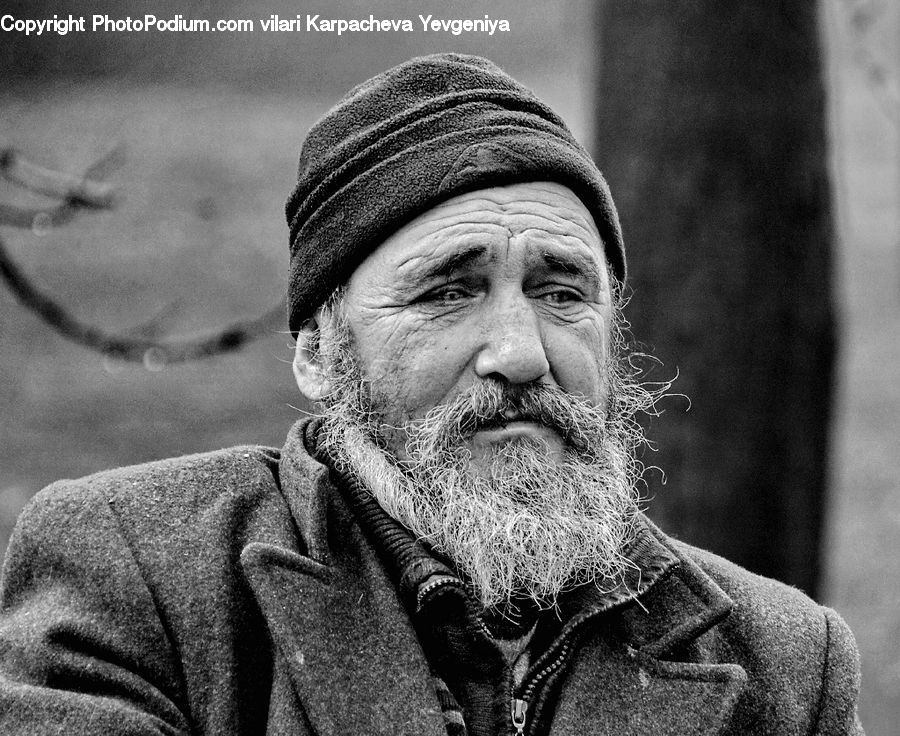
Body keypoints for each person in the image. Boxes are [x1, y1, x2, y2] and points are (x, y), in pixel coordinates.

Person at [0, 53, 862, 736]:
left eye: (563, 292)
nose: (522, 354)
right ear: (317, 353)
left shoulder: (786, 664)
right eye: (449, 291)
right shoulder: (137, 577)